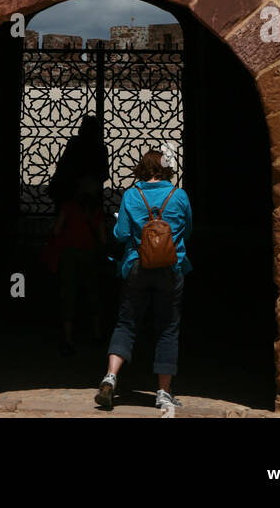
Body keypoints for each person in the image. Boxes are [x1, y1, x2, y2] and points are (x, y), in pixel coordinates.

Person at [94, 145, 192, 414]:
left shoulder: (131, 195)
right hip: (171, 269)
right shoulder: (179, 195)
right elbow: (188, 230)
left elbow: (122, 234)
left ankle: (111, 377)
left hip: (136, 266)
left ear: (142, 167)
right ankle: (163, 393)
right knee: (167, 328)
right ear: (166, 169)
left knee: (126, 323)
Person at [46, 175, 106, 354]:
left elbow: (57, 230)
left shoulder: (68, 206)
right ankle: (97, 334)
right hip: (89, 255)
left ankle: (68, 339)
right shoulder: (97, 210)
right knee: (93, 293)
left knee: (68, 294)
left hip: (69, 254)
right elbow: (102, 238)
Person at [49, 114, 109, 212]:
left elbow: (63, 165)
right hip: (89, 196)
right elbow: (104, 174)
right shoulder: (101, 149)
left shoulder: (74, 143)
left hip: (68, 191)